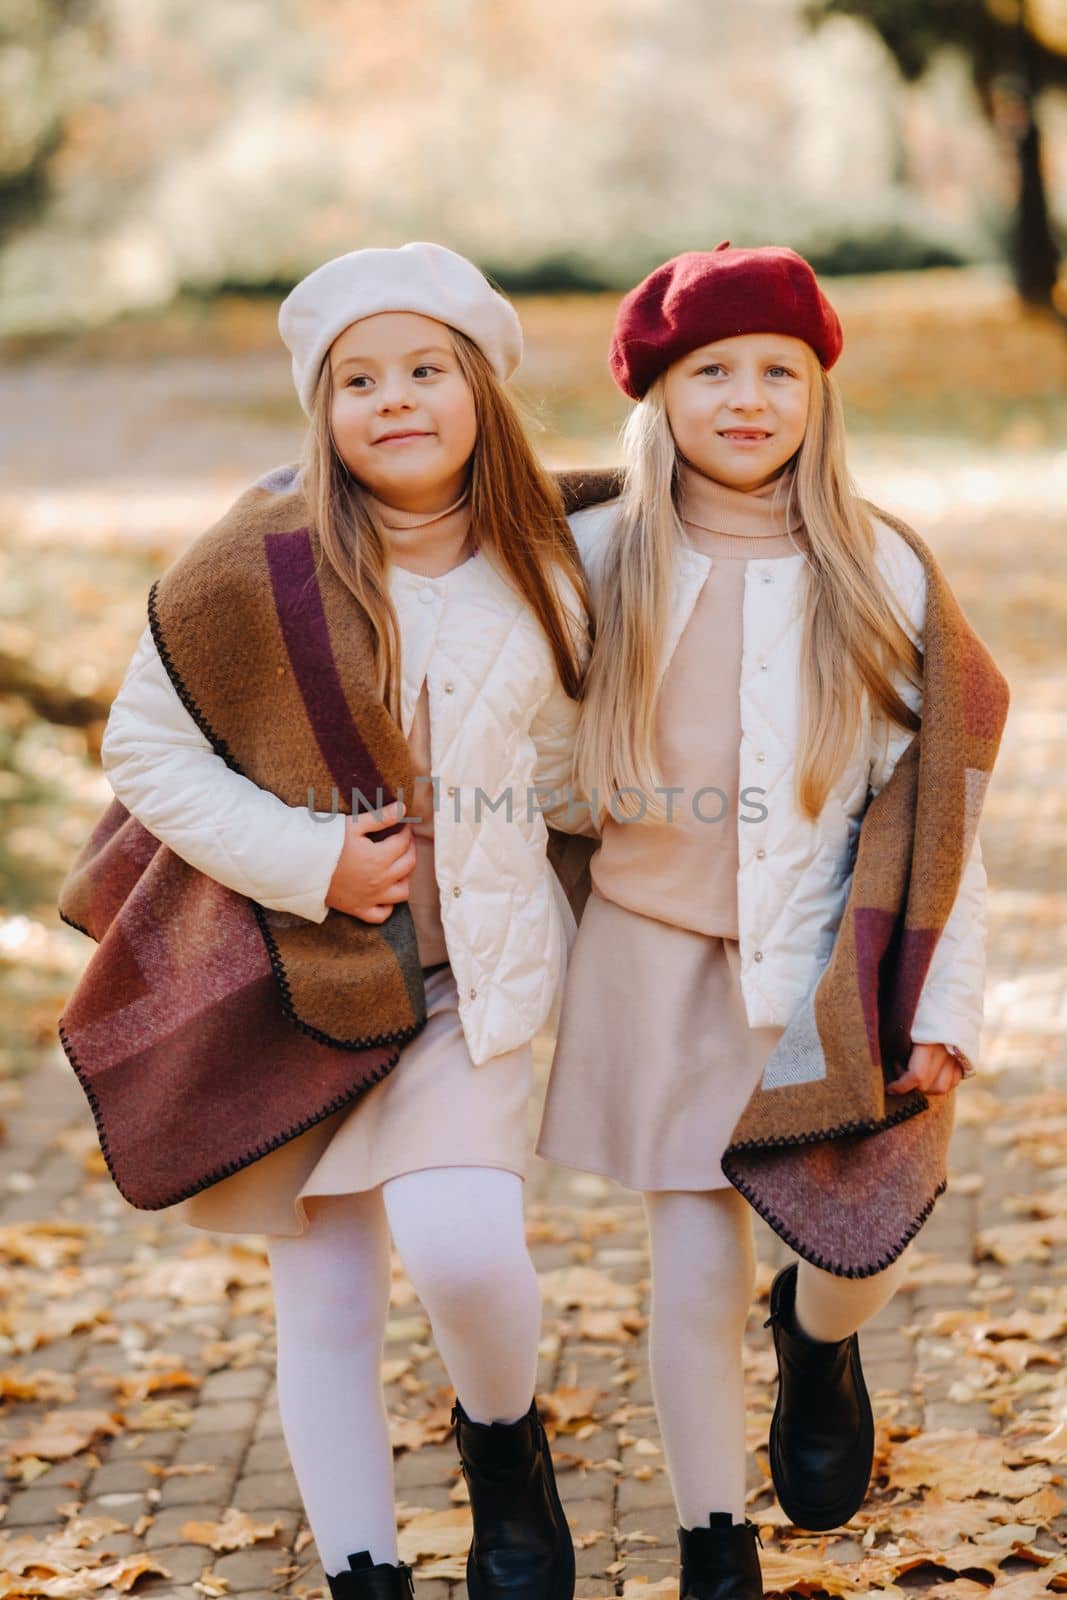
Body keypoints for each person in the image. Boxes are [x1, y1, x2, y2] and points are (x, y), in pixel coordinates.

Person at [99, 242, 588, 1600]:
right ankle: (361, 1571)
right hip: (298, 973)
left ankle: (504, 1442)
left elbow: (585, 754)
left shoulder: (557, 556)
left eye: (426, 368)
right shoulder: (252, 563)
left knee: (467, 1251)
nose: (395, 399)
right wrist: (312, 863)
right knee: (323, 1302)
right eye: (357, 379)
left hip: (463, 977)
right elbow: (145, 751)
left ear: (481, 386)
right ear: (320, 409)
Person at [537, 243, 991, 1600]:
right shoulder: (590, 556)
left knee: (863, 1249)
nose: (746, 397)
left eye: (778, 371)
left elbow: (946, 807)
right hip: (654, 957)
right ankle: (710, 1541)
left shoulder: (881, 570)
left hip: (828, 969)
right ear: (659, 396)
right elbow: (498, 734)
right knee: (689, 1261)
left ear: (819, 391)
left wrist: (946, 1003)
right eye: (711, 371)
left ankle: (818, 1337)